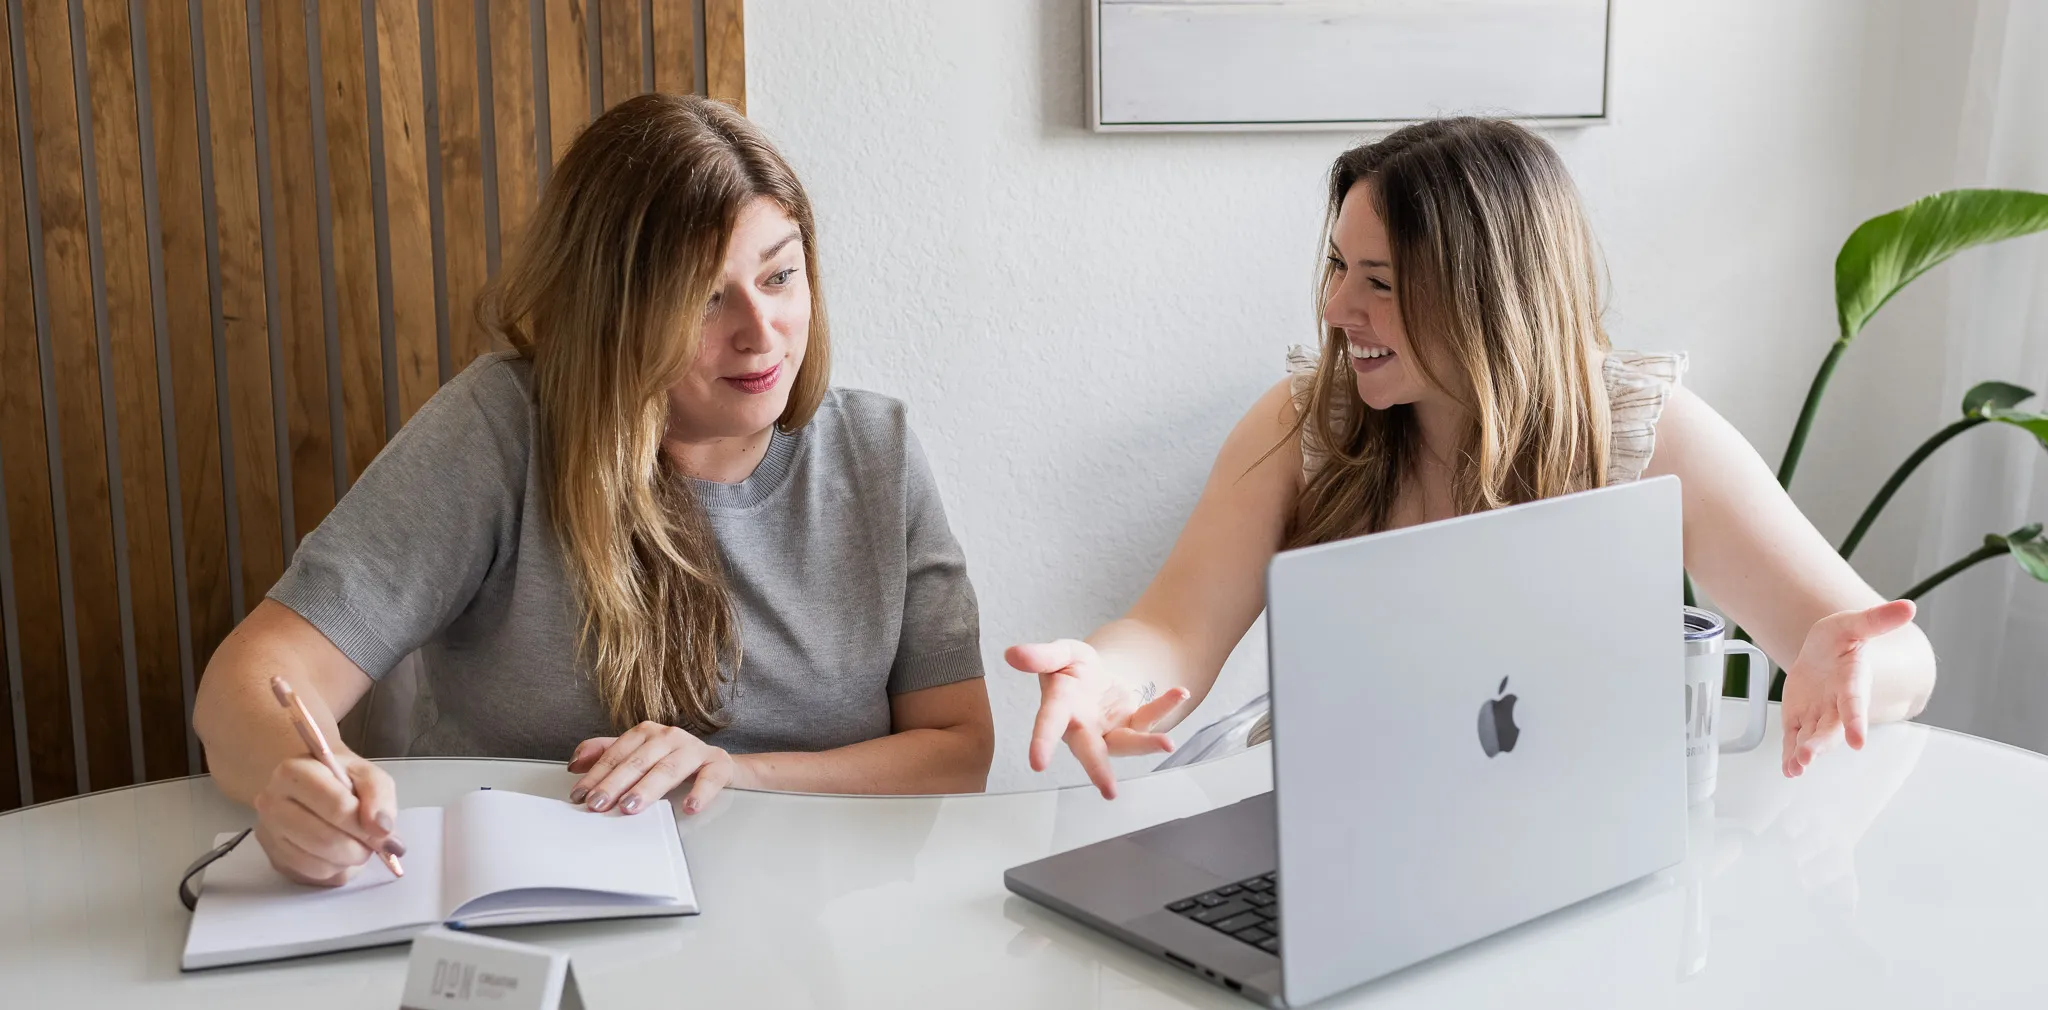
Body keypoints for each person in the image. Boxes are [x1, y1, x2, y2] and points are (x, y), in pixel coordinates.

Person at [192, 94, 993, 886]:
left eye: (780, 275)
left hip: (819, 927)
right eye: (706, 299)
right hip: (535, 918)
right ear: (614, 311)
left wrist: (738, 775)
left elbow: (959, 747)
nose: (760, 330)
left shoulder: (876, 453)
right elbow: (247, 683)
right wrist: (299, 783)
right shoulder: (503, 429)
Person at [1009, 118, 1937, 799]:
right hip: (1327, 820)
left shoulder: (1642, 430)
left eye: (1378, 283)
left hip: (1559, 838)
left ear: (1492, 297)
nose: (1336, 309)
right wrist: (1103, 675)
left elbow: (1897, 657)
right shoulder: (1306, 420)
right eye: (1338, 267)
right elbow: (1174, 631)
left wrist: (1853, 667)